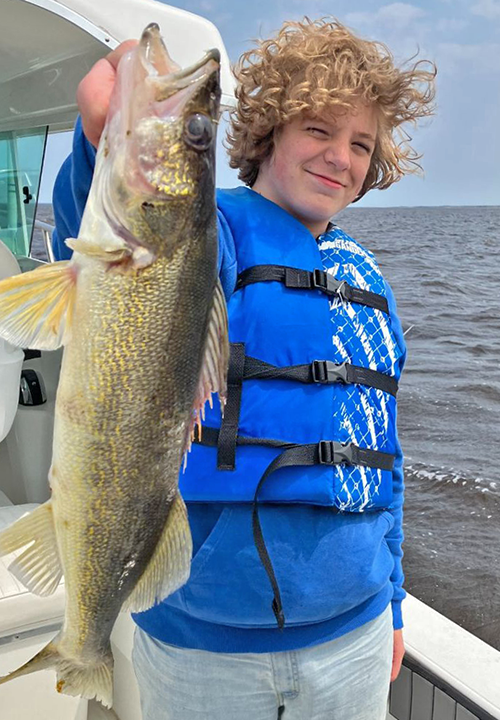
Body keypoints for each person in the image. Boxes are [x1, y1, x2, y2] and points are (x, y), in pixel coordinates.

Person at [52, 18, 435, 720]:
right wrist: (104, 139)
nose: (339, 158)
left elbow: (384, 464)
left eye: (360, 144)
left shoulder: (367, 276)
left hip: (355, 633)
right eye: (318, 130)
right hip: (205, 650)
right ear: (268, 133)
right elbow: (118, 246)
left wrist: (395, 603)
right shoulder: (214, 228)